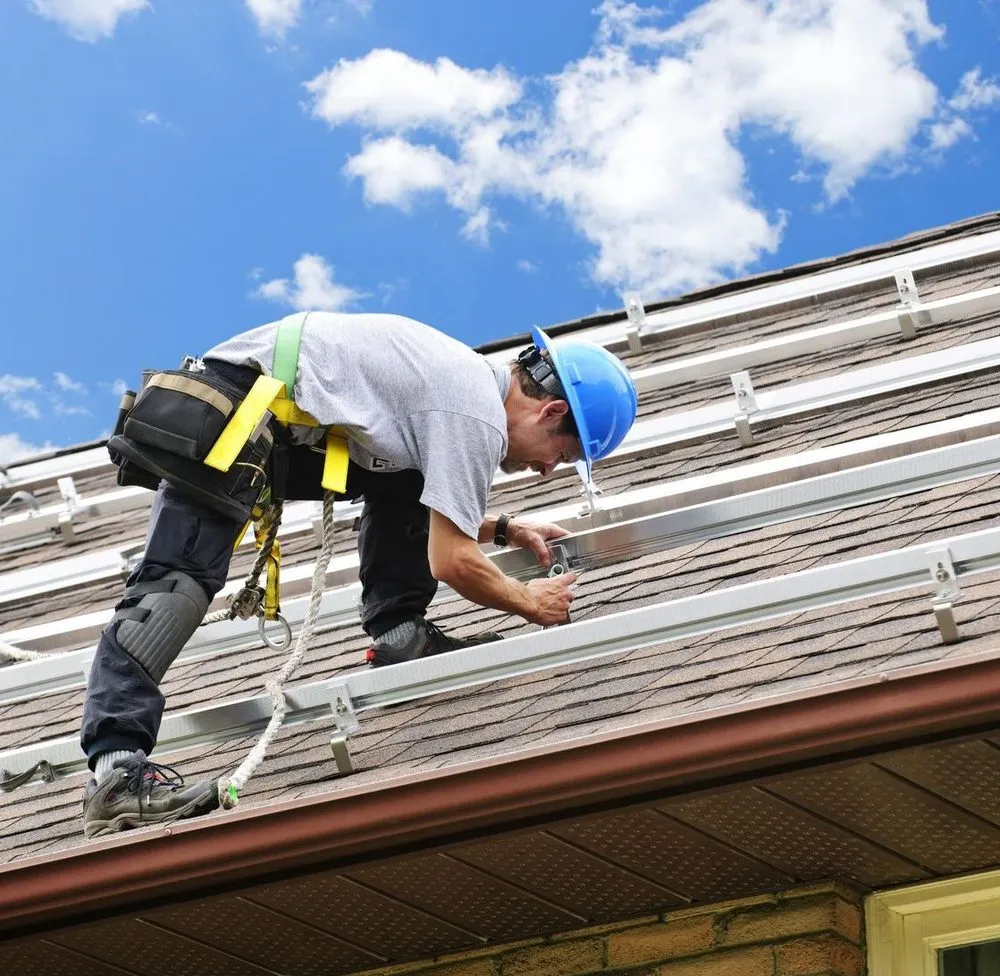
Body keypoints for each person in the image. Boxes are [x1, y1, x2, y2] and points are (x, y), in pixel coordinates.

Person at [80, 313, 638, 836]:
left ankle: (401, 636)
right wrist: (529, 602)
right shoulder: (475, 414)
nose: (544, 470)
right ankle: (115, 773)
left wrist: (502, 528)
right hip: (233, 415)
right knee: (174, 591)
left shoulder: (463, 386)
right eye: (559, 458)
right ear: (551, 413)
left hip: (265, 417)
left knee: (405, 480)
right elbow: (451, 561)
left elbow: (431, 502)